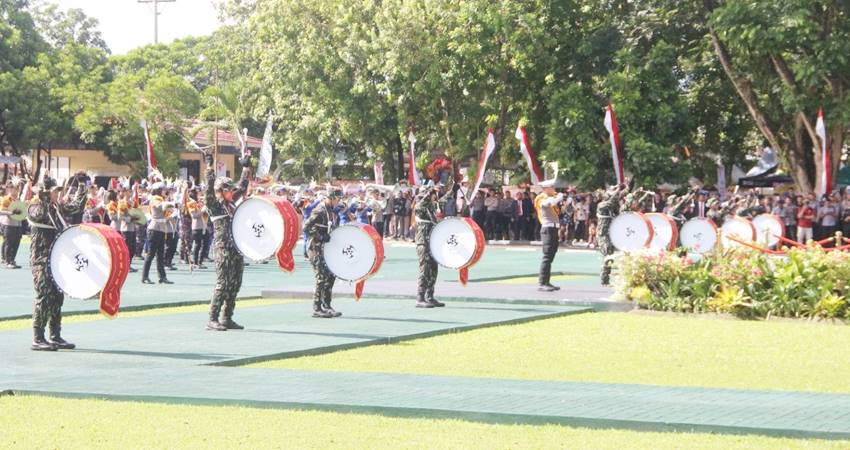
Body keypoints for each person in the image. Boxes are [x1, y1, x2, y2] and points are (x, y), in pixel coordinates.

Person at [28, 176, 87, 351]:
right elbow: (40, 215)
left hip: (57, 260)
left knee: (57, 298)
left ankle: (55, 336)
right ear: (45, 193)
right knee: (44, 296)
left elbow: (76, 206)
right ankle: (38, 338)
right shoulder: (35, 207)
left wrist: (81, 187)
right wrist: (45, 197)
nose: (57, 194)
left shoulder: (57, 207)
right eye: (54, 191)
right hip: (40, 260)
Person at [203, 151, 252, 331]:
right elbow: (209, 188)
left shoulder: (230, 203)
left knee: (235, 283)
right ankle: (212, 318)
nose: (233, 192)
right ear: (221, 192)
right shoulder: (214, 205)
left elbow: (243, 186)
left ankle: (227, 317)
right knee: (222, 283)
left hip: (235, 248)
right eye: (229, 190)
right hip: (222, 248)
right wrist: (209, 167)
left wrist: (246, 167)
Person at [414, 179, 454, 308]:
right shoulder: (420, 207)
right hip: (423, 243)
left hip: (432, 244)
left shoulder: (430, 208)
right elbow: (423, 201)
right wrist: (431, 189)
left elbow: (442, 200)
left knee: (433, 270)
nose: (434, 197)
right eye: (431, 195)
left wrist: (452, 190)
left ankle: (429, 296)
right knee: (424, 270)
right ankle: (420, 298)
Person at [303, 189, 342, 318]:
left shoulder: (330, 210)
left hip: (325, 249)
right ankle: (317, 307)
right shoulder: (319, 210)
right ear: (331, 198)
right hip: (315, 247)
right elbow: (306, 227)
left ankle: (327, 305)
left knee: (331, 275)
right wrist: (320, 236)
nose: (338, 202)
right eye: (337, 199)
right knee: (321, 277)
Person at [141, 182, 174, 285]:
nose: (165, 191)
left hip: (161, 229)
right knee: (150, 254)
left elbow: (168, 210)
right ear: (159, 190)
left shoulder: (162, 199)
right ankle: (145, 277)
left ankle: (162, 277)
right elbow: (161, 206)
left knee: (160, 255)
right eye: (163, 189)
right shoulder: (155, 199)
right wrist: (172, 203)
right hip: (154, 229)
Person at [534, 181, 563, 291]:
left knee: (551, 256)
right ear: (546, 188)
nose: (554, 188)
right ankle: (542, 283)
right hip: (548, 229)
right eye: (552, 187)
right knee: (547, 256)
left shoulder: (551, 197)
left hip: (554, 228)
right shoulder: (541, 198)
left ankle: (547, 281)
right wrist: (559, 197)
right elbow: (549, 203)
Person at [1, 182, 24, 269]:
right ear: (10, 189)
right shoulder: (6, 199)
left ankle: (12, 260)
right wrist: (11, 212)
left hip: (18, 224)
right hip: (9, 224)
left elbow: (22, 210)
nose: (17, 190)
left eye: (18, 188)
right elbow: (1, 211)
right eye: (15, 188)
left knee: (16, 243)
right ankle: (7, 261)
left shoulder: (18, 199)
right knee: (9, 243)